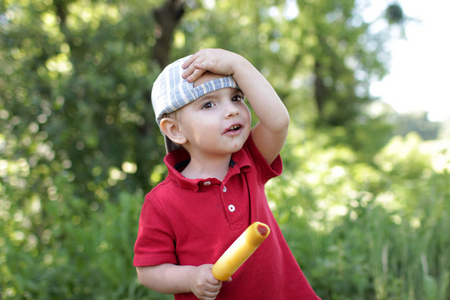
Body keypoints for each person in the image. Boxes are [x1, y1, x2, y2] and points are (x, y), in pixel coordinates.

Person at [134, 48, 320, 300]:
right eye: (208, 104)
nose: (232, 110)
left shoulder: (250, 160)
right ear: (176, 130)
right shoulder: (162, 202)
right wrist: (192, 277)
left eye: (236, 98)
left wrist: (238, 65)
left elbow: (278, 122)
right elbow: (149, 271)